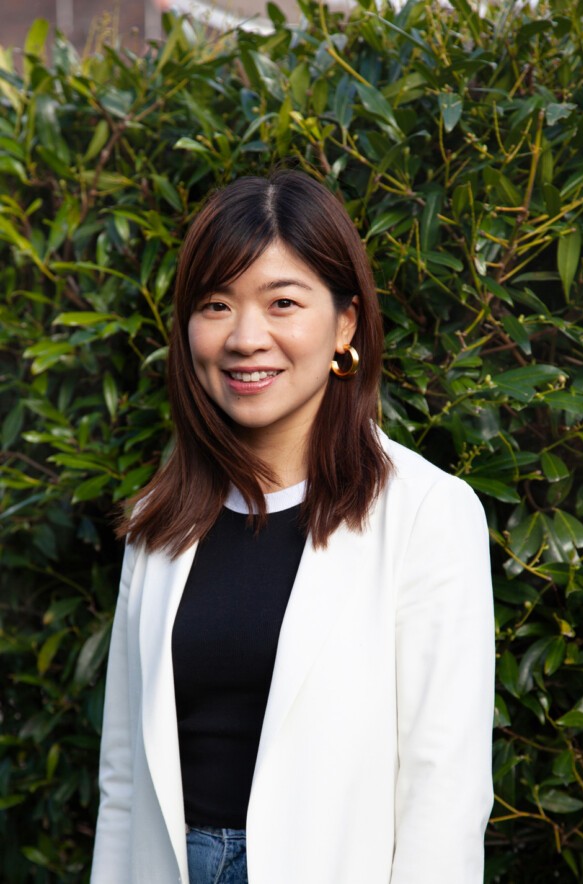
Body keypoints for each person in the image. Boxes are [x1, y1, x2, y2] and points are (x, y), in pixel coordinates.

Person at [91, 170, 495, 884]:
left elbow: (445, 795)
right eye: (216, 305)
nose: (247, 338)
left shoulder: (426, 513)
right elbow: (123, 783)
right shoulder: (160, 519)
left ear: (345, 323)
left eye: (282, 302)